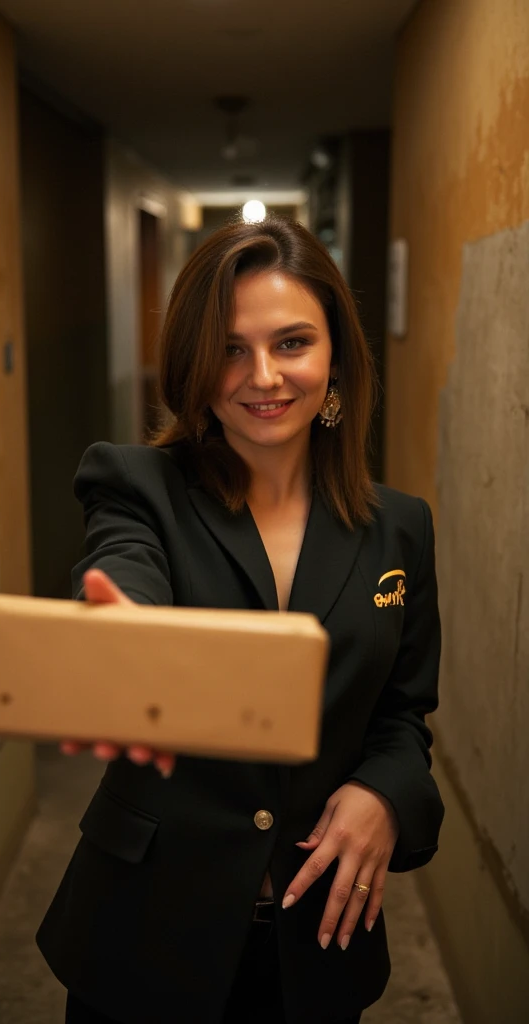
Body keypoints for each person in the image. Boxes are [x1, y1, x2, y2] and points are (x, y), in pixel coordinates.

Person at [36, 216, 444, 1024]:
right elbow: (125, 575)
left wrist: (386, 794)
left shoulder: (401, 528)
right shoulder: (135, 485)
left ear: (335, 359)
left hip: (316, 942)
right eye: (230, 348)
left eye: (292, 343)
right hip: (146, 933)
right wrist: (119, 631)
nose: (262, 375)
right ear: (193, 364)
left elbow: (403, 716)